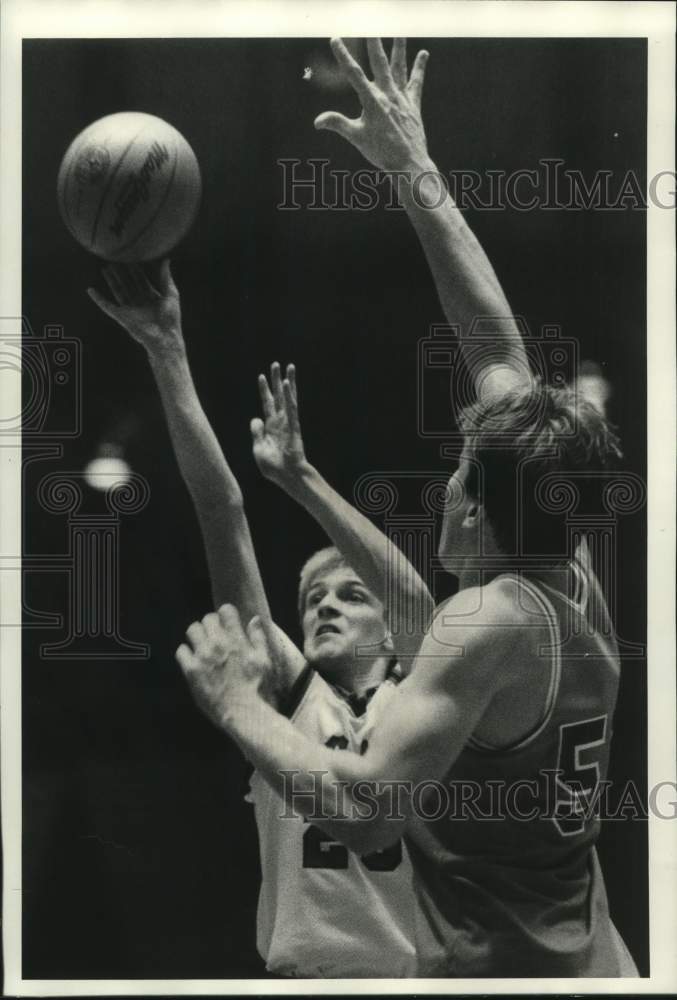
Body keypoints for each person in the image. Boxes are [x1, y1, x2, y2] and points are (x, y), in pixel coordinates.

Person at [177, 38, 638, 977]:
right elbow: (491, 340)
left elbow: (366, 806)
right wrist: (413, 171)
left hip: (509, 976)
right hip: (593, 957)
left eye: (462, 475)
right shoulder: (564, 574)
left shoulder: (487, 618)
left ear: (482, 519)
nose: (447, 485)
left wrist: (234, 705)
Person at [87, 261, 432, 977]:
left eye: (347, 594)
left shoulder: (434, 693)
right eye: (311, 599)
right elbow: (222, 511)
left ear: (391, 636)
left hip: (423, 978)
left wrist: (304, 478)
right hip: (304, 977)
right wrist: (167, 353)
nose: (324, 604)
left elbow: (412, 600)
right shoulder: (285, 693)